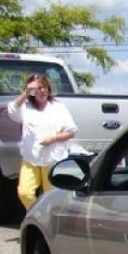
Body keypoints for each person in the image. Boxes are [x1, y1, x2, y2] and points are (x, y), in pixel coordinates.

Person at [7, 73, 78, 211]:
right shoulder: (26, 108)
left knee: (51, 196)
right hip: (31, 158)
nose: (42, 91)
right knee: (24, 193)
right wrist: (26, 92)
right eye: (37, 88)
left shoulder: (58, 108)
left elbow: (71, 131)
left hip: (52, 158)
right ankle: (37, 214)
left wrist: (52, 139)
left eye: (44, 87)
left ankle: (47, 220)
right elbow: (12, 110)